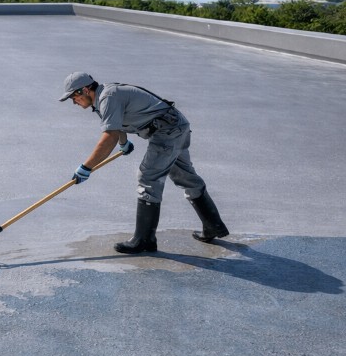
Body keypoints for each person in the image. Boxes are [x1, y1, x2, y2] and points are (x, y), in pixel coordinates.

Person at [60, 71, 229, 254]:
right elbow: (115, 127)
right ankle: (213, 225)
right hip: (176, 127)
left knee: (148, 178)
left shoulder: (108, 97)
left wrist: (86, 167)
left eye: (73, 97)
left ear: (84, 90)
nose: (73, 102)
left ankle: (144, 240)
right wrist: (124, 144)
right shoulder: (103, 98)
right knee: (185, 177)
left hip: (167, 132)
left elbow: (109, 137)